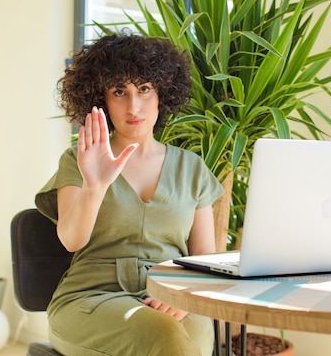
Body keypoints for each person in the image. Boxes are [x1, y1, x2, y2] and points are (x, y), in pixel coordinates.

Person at [35, 30, 224, 356]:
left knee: (182, 338)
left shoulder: (192, 169)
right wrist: (95, 185)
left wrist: (184, 295)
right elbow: (70, 239)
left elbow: (204, 261)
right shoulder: (78, 160)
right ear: (101, 100)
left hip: (174, 297)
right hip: (91, 298)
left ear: (163, 94)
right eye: (119, 91)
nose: (134, 105)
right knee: (161, 335)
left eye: (145, 89)